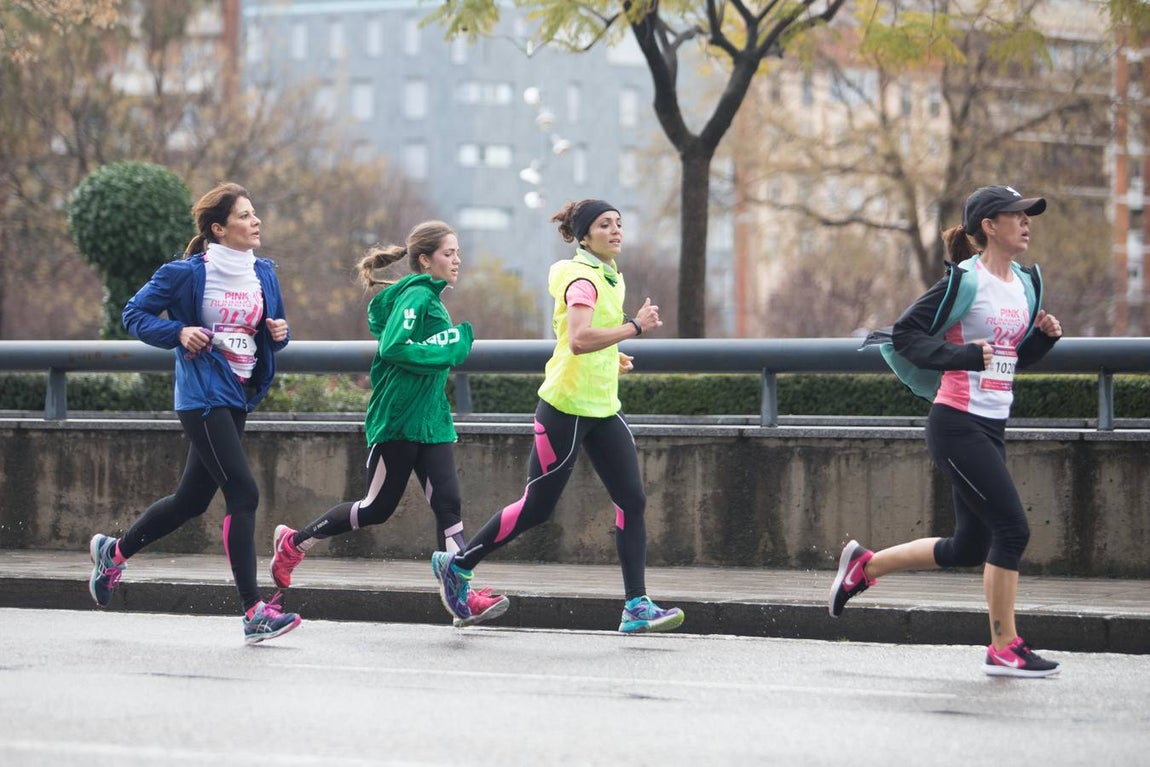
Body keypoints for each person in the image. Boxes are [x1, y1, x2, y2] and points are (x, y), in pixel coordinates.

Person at [832, 185, 1063, 678]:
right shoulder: (966, 281)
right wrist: (959, 356)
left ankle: (863, 567)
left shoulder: (1024, 285)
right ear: (989, 226)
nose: (1027, 223)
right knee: (1012, 530)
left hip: (991, 424)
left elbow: (1007, 359)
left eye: (1029, 216)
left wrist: (1041, 342)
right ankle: (1005, 646)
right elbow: (906, 335)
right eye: (1016, 215)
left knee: (970, 546)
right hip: (956, 423)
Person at [429, 199, 685, 634]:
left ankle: (636, 605)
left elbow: (586, 339)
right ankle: (458, 565)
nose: (617, 231)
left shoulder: (608, 274)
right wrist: (634, 328)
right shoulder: (582, 277)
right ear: (584, 236)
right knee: (537, 507)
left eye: (620, 224)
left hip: (602, 408)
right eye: (606, 225)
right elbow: (581, 339)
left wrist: (614, 354)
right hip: (565, 407)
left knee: (632, 501)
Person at [87, 182, 301, 645]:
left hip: (238, 395)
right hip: (203, 397)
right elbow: (134, 315)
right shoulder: (185, 273)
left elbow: (272, 333)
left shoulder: (263, 273)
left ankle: (113, 553)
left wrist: (279, 332)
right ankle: (253, 611)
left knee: (191, 501)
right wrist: (180, 331)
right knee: (242, 493)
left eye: (254, 213)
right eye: (245, 216)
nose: (256, 221)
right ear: (219, 228)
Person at [269, 221, 508, 626]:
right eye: (449, 254)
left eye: (457, 253)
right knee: (375, 508)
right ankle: (294, 542)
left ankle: (462, 595)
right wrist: (455, 343)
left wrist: (449, 343)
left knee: (449, 506)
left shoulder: (429, 298)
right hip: (398, 419)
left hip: (432, 420)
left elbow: (422, 347)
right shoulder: (416, 295)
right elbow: (396, 346)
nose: (457, 261)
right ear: (425, 260)